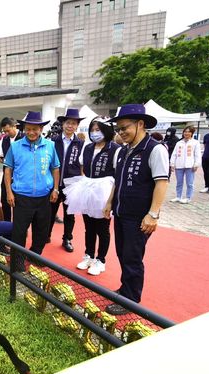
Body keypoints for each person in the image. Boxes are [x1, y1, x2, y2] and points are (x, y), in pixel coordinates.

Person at [103, 104, 169, 315]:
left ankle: (130, 299)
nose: (121, 132)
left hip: (139, 217)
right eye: (119, 129)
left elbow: (162, 183)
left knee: (132, 257)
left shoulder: (155, 149)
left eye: (125, 127)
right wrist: (109, 202)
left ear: (140, 124)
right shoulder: (123, 151)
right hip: (121, 213)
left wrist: (153, 214)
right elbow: (117, 181)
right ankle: (125, 289)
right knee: (123, 254)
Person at [4, 111, 60, 272]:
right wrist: (9, 192)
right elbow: (8, 169)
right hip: (22, 197)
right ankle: (18, 261)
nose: (31, 132)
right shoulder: (15, 146)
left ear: (41, 128)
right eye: (28, 129)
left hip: (44, 197)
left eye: (35, 129)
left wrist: (55, 188)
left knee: (41, 231)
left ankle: (35, 255)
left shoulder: (50, 146)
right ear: (24, 129)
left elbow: (55, 168)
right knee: (19, 232)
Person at [74, 117, 120, 276]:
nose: (94, 133)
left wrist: (110, 201)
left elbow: (117, 176)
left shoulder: (115, 149)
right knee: (89, 227)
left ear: (106, 130)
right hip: (88, 188)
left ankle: (100, 260)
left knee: (103, 228)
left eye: (98, 130)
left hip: (104, 191)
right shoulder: (87, 147)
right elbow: (82, 166)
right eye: (92, 130)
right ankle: (88, 255)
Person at [47, 108, 85, 253]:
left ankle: (67, 238)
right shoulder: (53, 141)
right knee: (50, 211)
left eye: (74, 123)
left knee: (70, 214)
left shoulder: (80, 143)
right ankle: (47, 234)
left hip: (72, 184)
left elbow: (82, 165)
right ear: (63, 124)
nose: (70, 126)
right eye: (68, 123)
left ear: (77, 126)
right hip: (54, 183)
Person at [0, 117, 25, 222]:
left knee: (18, 202)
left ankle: (19, 225)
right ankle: (7, 224)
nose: (6, 133)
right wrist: (2, 159)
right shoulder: (4, 140)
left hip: (20, 175)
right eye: (4, 131)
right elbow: (4, 155)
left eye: (8, 130)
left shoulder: (24, 138)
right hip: (7, 174)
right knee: (5, 200)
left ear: (14, 126)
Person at [169, 126, 201, 204]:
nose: (186, 133)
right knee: (179, 182)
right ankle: (178, 196)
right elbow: (174, 154)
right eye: (185, 132)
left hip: (190, 166)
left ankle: (188, 197)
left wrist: (196, 164)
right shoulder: (179, 143)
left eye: (189, 132)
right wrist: (172, 163)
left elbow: (197, 155)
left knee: (189, 183)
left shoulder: (195, 143)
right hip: (179, 165)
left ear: (192, 133)